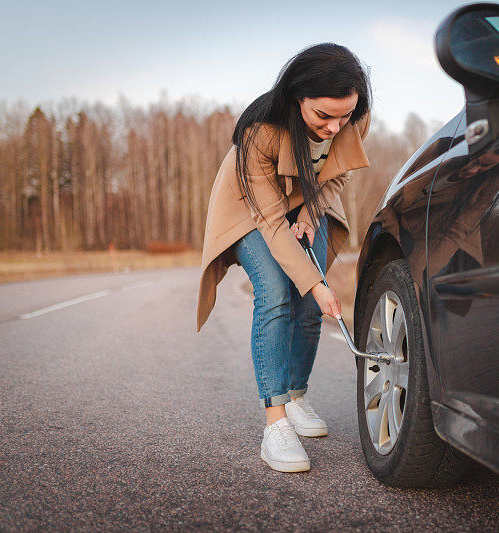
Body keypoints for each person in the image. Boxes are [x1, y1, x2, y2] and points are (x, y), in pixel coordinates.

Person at [196, 43, 371, 473]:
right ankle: (275, 422)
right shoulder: (260, 133)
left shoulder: (355, 116)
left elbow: (337, 174)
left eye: (343, 117)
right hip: (254, 208)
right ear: (297, 98)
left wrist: (311, 213)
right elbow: (272, 222)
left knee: (310, 306)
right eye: (323, 116)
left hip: (308, 199)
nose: (334, 127)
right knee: (277, 290)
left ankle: (295, 396)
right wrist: (315, 279)